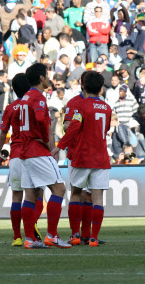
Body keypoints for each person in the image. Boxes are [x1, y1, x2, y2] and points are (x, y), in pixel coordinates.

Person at [52, 71, 112, 247]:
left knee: (76, 193)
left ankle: (76, 235)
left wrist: (59, 146)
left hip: (82, 156)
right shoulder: (107, 108)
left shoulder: (81, 106)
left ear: (83, 85)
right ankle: (93, 237)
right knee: (98, 197)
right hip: (101, 157)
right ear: (101, 89)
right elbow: (105, 129)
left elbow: (72, 127)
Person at [19, 63, 71, 249]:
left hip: (25, 151)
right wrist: (47, 142)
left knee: (31, 195)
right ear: (41, 78)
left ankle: (30, 239)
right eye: (48, 75)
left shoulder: (25, 97)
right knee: (59, 189)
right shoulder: (38, 97)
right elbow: (41, 119)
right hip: (37, 150)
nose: (50, 78)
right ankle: (52, 235)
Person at [0, 73, 43, 247]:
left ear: (13, 89)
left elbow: (3, 134)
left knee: (16, 196)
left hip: (15, 155)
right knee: (37, 194)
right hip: (33, 153)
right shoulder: (33, 104)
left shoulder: (10, 108)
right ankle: (32, 224)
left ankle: (17, 237)